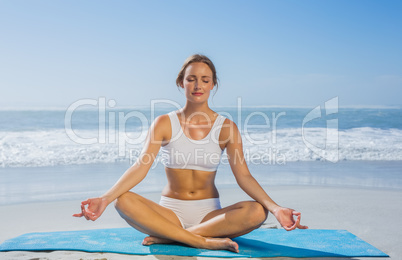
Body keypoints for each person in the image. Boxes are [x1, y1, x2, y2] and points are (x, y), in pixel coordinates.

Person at [73, 54, 308, 253]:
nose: (198, 86)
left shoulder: (226, 128)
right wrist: (105, 198)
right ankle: (197, 240)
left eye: (205, 80)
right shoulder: (164, 123)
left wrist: (276, 208)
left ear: (213, 84)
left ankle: (173, 238)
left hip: (210, 217)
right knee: (122, 200)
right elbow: (140, 166)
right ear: (181, 83)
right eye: (191, 79)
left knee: (258, 211)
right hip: (168, 214)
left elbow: (244, 177)